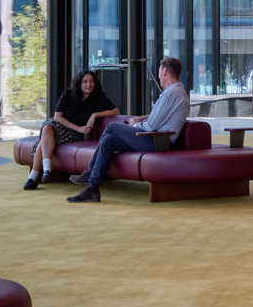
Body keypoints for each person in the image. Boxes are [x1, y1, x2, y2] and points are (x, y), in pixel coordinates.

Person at [70, 57, 188, 203]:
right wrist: (141, 119)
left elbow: (151, 126)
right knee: (108, 140)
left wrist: (133, 125)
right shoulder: (176, 92)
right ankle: (93, 189)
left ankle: (90, 171)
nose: (158, 76)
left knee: (112, 126)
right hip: (156, 138)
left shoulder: (172, 93)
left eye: (158, 72)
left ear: (164, 72)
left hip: (157, 141)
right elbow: (159, 117)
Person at [25, 68, 119, 189]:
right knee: (47, 128)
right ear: (79, 83)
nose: (89, 84)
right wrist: (78, 128)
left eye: (91, 81)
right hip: (60, 125)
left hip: (74, 134)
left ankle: (34, 177)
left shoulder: (98, 98)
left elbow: (115, 111)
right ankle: (47, 170)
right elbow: (57, 117)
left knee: (44, 139)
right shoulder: (68, 94)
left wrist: (94, 115)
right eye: (85, 81)